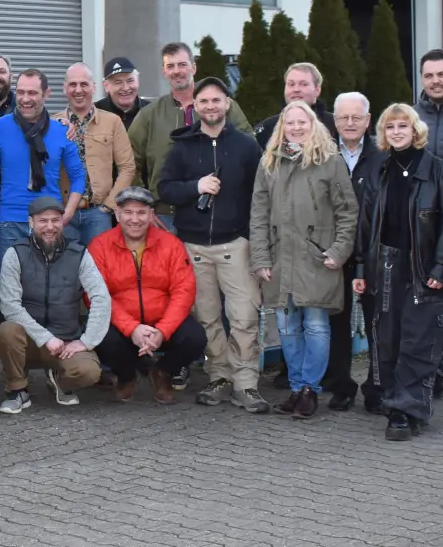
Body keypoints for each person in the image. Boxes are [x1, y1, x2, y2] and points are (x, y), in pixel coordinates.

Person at [351, 103, 443, 441]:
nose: (397, 132)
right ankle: (395, 400)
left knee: (418, 339)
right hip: (384, 263)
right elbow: (365, 223)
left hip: (423, 266)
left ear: (416, 130)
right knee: (387, 338)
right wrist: (360, 266)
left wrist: (441, 267)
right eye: (390, 127)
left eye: (403, 126)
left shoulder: (437, 171)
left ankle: (406, 411)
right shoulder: (378, 171)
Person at [156, 76, 268, 413]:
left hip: (236, 243)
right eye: (204, 101)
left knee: (244, 316)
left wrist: (252, 236)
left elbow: (259, 197)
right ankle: (219, 377)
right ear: (196, 107)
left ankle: (246, 384)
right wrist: (196, 187)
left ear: (227, 104)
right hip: (194, 247)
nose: (210, 106)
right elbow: (164, 189)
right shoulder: (182, 147)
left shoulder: (248, 147)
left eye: (216, 100)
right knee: (207, 318)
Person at [248, 100, 359, 419]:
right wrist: (260, 257)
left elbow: (347, 211)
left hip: (316, 258)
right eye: (290, 122)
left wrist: (338, 251)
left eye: (302, 122)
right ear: (282, 127)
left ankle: (310, 388)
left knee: (315, 325)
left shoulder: (330, 160)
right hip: (280, 258)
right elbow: (258, 213)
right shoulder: (268, 162)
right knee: (286, 326)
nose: (296, 128)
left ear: (314, 125)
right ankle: (297, 388)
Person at [90, 187, 206, 404]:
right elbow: (96, 295)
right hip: (121, 323)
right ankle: (126, 376)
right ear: (117, 214)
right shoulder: (100, 246)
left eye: (142, 212)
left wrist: (162, 331)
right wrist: (131, 327)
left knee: (195, 337)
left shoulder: (171, 244)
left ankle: (163, 372)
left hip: (162, 321)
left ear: (152, 215)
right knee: (102, 337)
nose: (135, 219)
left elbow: (184, 290)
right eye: (128, 212)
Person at [0, 196, 110, 414]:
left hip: (66, 342)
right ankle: (17, 388)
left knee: (89, 372)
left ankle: (59, 379)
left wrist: (86, 341)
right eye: (43, 221)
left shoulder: (79, 254)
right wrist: (45, 338)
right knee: (6, 330)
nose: (50, 227)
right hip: (27, 341)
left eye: (55, 220)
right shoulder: (15, 253)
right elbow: (10, 305)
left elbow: (101, 297)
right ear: (31, 222)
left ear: (63, 221)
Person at [128, 42, 251, 218]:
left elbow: (249, 148)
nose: (177, 70)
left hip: (217, 210)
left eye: (182, 64)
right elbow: (130, 161)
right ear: (164, 72)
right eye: (170, 66)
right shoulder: (149, 115)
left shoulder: (221, 106)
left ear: (193, 68)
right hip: (166, 214)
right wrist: (143, 204)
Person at [325, 91, 387, 413]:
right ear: (334, 121)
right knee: (337, 323)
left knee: (378, 322)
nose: (349, 123)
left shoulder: (383, 156)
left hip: (373, 254)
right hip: (334, 254)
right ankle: (340, 387)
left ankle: (377, 388)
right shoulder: (322, 155)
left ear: (368, 119)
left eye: (356, 117)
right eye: (343, 118)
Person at [0, 68, 85, 266]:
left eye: (32, 93)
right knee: (11, 286)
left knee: (49, 286)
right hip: (10, 222)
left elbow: (78, 177)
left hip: (49, 221)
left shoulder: (62, 131)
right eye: (21, 92)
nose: (25, 99)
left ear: (46, 94)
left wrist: (67, 213)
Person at [56, 63, 136, 246]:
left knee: (99, 271)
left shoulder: (112, 122)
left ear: (94, 87)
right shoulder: (53, 124)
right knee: (65, 271)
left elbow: (127, 167)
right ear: (64, 88)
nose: (78, 90)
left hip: (98, 214)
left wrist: (108, 207)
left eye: (84, 84)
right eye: (73, 84)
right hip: (63, 213)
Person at [251, 63, 338, 149]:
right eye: (291, 84)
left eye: (303, 84)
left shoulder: (336, 125)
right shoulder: (266, 129)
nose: (296, 89)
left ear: (317, 90)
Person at [95, 56, 149, 131]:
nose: (125, 88)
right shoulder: (94, 114)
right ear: (106, 86)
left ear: (138, 81)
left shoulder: (151, 112)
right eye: (118, 82)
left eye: (130, 81)